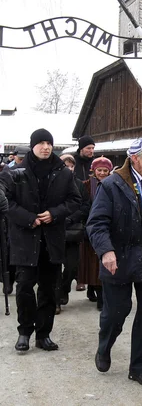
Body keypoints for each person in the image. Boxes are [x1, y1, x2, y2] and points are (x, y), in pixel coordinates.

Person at [87, 137, 142, 387]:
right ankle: (105, 346)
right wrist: (106, 251)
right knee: (117, 312)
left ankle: (139, 367)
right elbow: (97, 223)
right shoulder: (112, 185)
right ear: (134, 159)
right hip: (121, 256)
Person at [0, 128, 81, 352]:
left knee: (48, 288)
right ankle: (24, 332)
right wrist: (28, 219)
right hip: (25, 240)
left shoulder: (63, 172)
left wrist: (55, 213)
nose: (46, 147)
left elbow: (75, 200)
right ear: (33, 145)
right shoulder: (16, 172)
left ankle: (43, 334)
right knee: (25, 287)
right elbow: (5, 202)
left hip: (51, 241)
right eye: (41, 143)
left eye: (49, 143)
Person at [56, 154, 90, 314]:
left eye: (71, 165)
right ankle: (56, 300)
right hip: (54, 232)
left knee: (71, 267)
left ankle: (64, 289)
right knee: (54, 268)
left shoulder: (79, 184)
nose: (68, 168)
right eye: (65, 165)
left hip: (72, 231)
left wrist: (71, 218)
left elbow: (85, 206)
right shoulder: (52, 183)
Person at [78, 157, 112, 310]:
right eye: (100, 170)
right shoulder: (85, 186)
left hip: (105, 229)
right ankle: (92, 288)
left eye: (105, 170)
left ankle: (101, 296)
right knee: (90, 263)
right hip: (88, 230)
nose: (102, 173)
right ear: (94, 170)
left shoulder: (112, 185)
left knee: (100, 263)